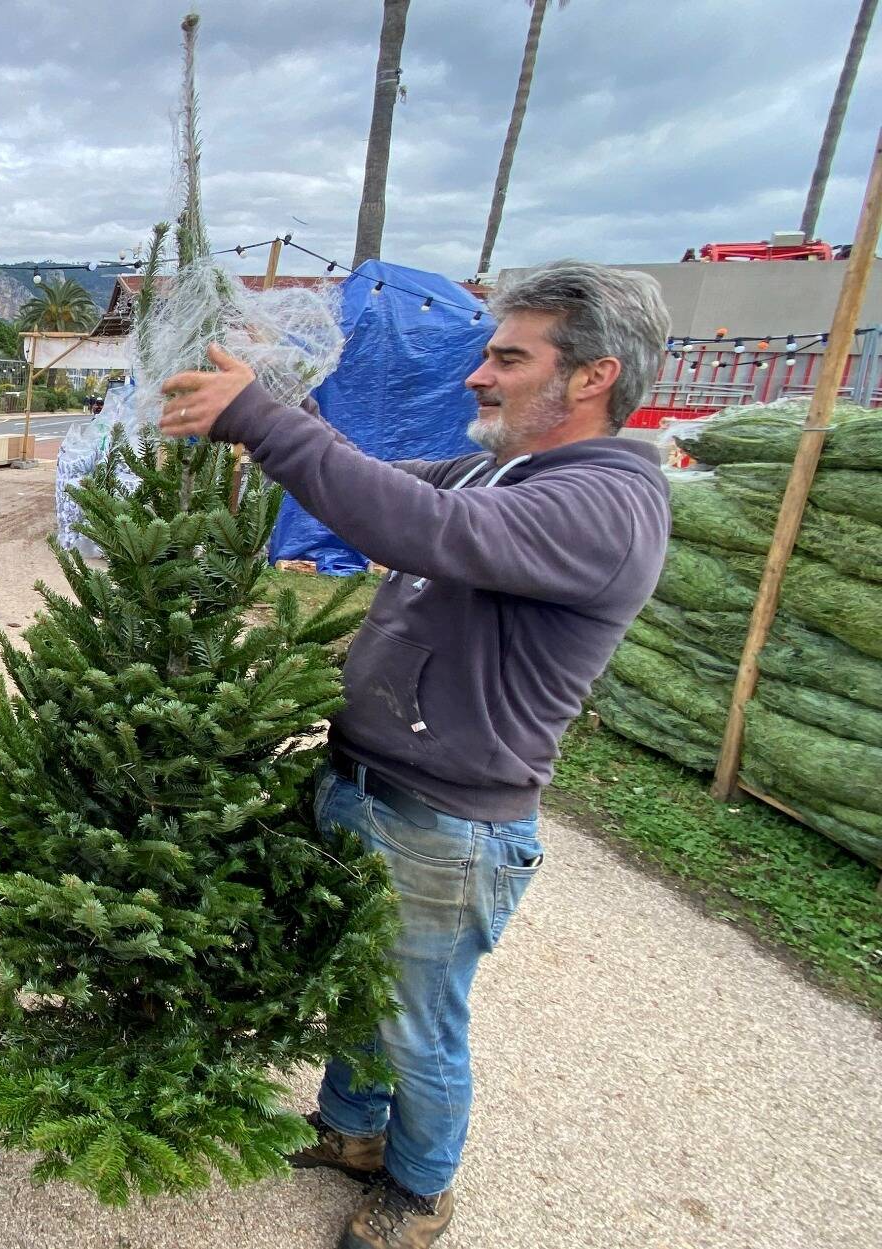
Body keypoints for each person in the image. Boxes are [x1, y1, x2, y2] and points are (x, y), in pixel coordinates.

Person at [158, 260, 671, 1249]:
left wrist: (262, 418)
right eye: (484, 353)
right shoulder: (503, 468)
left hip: (447, 822)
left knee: (416, 1019)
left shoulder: (604, 503)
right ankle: (351, 1132)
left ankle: (419, 1190)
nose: (477, 375)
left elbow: (423, 528)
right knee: (361, 979)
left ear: (591, 377)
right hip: (372, 780)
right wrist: (270, 413)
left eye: (507, 358)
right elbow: (377, 489)